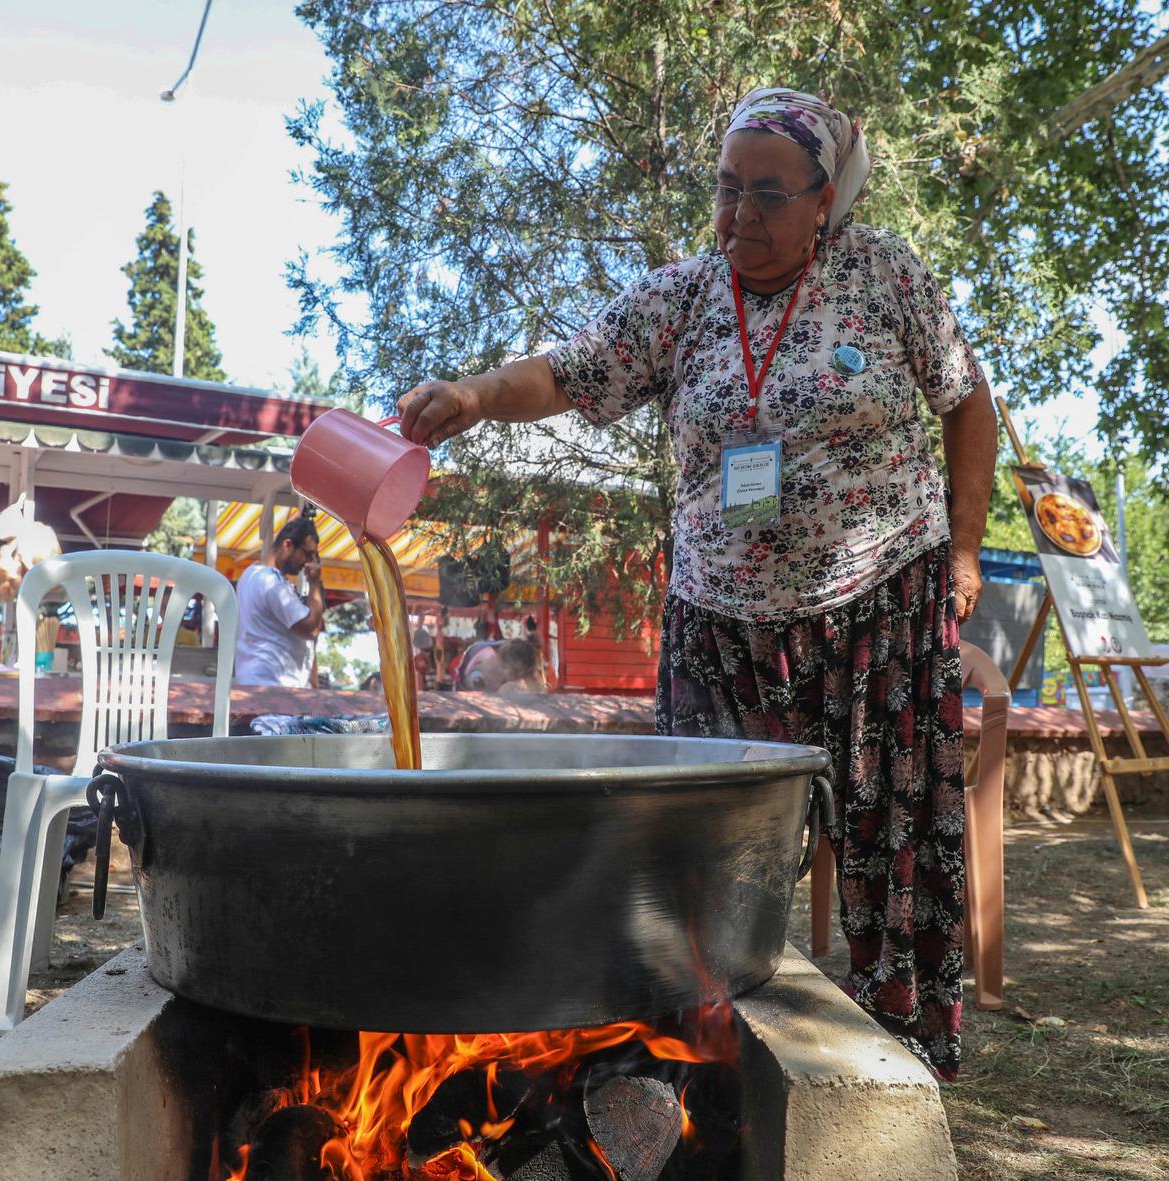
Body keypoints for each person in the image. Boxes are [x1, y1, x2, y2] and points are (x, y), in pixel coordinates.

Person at [399, 88, 997, 1080]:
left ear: (824, 202)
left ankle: (902, 1068)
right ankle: (707, 1065)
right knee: (706, 855)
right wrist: (472, 396)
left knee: (893, 847)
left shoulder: (885, 274)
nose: (739, 218)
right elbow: (569, 369)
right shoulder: (682, 296)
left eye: (769, 196)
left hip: (881, 606)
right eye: (727, 190)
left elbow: (965, 398)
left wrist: (966, 548)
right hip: (722, 622)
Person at [234, 517, 326, 688]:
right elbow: (310, 629)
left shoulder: (251, 574)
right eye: (307, 554)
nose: (308, 562)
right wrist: (315, 585)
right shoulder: (271, 582)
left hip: (261, 681)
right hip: (274, 684)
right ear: (287, 545)